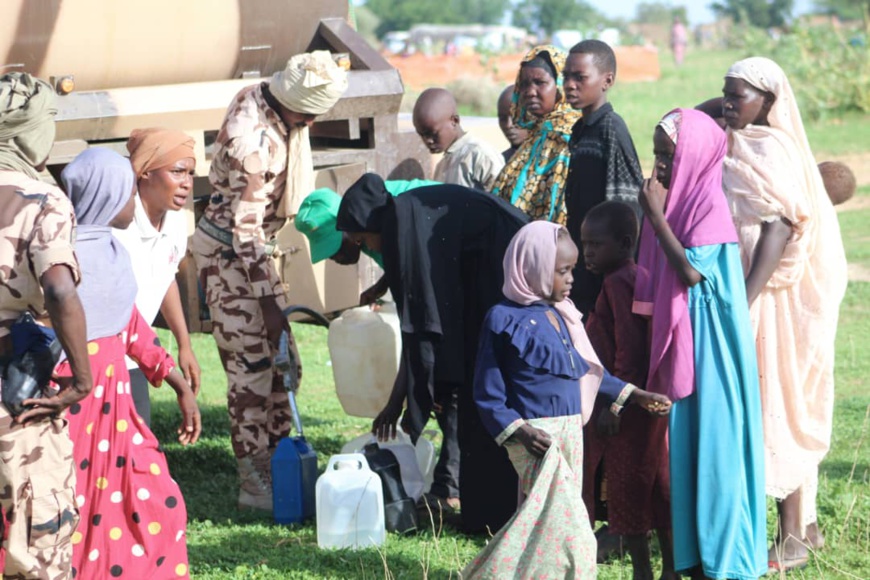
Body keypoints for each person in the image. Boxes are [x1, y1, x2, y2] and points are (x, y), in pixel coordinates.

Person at [463, 221, 671, 579]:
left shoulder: (562, 317)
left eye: (572, 270)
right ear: (532, 268)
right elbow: (488, 394)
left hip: (571, 435)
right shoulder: (502, 320)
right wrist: (522, 433)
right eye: (562, 271)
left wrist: (635, 395)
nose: (571, 278)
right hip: (538, 442)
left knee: (546, 525)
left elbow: (587, 372)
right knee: (575, 531)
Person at [189, 50, 347, 511]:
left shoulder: (264, 96)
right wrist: (272, 306)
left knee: (284, 369)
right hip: (229, 257)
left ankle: (282, 462)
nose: (315, 124)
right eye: (314, 115)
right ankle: (254, 482)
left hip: (251, 251)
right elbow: (245, 233)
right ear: (299, 107)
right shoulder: (252, 149)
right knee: (251, 371)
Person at [335, 173, 529, 533]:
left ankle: (495, 515)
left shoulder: (406, 228)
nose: (364, 247)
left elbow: (421, 329)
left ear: (372, 224)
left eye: (362, 239)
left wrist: (403, 402)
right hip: (490, 278)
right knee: (474, 394)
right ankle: (485, 511)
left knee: (485, 392)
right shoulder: (402, 216)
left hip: (503, 277)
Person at [719, 57, 848, 572]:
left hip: (772, 296)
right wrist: (727, 108)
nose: (728, 104)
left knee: (776, 406)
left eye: (740, 96)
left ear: (770, 102)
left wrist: (746, 298)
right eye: (724, 93)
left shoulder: (772, 148)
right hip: (753, 288)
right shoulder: (739, 139)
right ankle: (808, 528)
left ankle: (791, 534)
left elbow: (783, 230)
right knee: (770, 404)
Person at [635, 108, 767, 580]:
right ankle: (698, 560)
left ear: (694, 155)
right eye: (657, 155)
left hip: (713, 353)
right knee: (688, 452)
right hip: (692, 344)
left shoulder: (707, 205)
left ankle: (726, 558)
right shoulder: (682, 203)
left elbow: (692, 276)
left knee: (716, 451)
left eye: (669, 156)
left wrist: (654, 216)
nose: (661, 166)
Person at [59, 148, 201, 579]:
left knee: (160, 502)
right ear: (105, 196)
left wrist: (181, 385)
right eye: (125, 193)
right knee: (73, 511)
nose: (131, 203)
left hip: (118, 417)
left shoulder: (113, 255)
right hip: (72, 416)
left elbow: (134, 329)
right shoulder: (61, 261)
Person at [0, 72, 93, 579]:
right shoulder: (41, 199)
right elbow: (59, 289)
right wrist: (82, 380)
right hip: (14, 390)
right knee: (38, 548)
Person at [580, 201, 674, 580]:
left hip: (630, 404)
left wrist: (615, 405)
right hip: (645, 400)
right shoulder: (636, 276)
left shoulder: (620, 282)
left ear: (623, 243)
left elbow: (628, 351)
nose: (587, 252)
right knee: (654, 484)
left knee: (628, 488)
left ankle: (643, 572)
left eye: (595, 245)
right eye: (584, 244)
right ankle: (669, 567)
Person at [113, 128, 200, 427]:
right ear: (145, 172)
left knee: (136, 451)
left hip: (137, 358)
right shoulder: (117, 228)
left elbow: (166, 277)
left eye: (190, 173)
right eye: (177, 172)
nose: (187, 183)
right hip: (105, 362)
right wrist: (174, 378)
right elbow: (121, 310)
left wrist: (184, 344)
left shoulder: (175, 223)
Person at [562, 39, 643, 315]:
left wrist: (616, 263)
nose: (570, 84)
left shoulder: (611, 129)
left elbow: (626, 205)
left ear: (607, 81)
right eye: (566, 76)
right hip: (585, 257)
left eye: (579, 77)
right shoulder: (580, 130)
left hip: (604, 264)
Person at [296, 179, 439, 305]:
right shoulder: (363, 233)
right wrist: (380, 287)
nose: (334, 258)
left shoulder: (387, 210)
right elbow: (397, 262)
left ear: (348, 227)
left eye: (336, 248)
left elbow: (416, 266)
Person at [492, 45, 581, 224]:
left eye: (540, 83)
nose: (530, 92)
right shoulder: (534, 137)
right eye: (524, 84)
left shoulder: (571, 136)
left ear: (560, 85)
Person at [412, 88, 504, 191]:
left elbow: (504, 200)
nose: (428, 141)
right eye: (422, 135)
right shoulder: (441, 167)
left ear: (454, 121)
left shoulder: (480, 156)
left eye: (433, 133)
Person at [496, 85, 529, 163]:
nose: (508, 125)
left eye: (516, 116)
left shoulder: (551, 158)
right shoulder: (499, 163)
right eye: (503, 119)